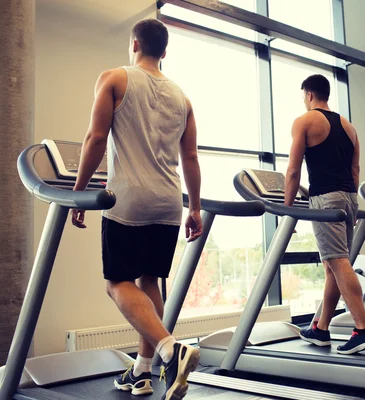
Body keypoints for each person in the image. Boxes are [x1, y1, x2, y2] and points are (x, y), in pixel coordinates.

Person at [71, 19, 202, 399]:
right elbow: (190, 157)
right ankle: (142, 372)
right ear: (164, 52)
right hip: (168, 202)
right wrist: (194, 208)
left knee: (118, 284)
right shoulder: (182, 97)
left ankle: (168, 349)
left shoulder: (114, 78)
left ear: (134, 44)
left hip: (128, 199)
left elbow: (96, 138)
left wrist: (79, 193)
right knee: (149, 281)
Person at [284, 74, 365, 355]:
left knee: (338, 263)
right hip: (349, 197)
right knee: (332, 266)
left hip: (325, 198)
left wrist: (287, 212)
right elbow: (355, 171)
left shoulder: (304, 121)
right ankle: (320, 328)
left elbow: (293, 170)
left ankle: (363, 328)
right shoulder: (349, 127)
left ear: (309, 94)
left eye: (304, 96)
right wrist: (354, 206)